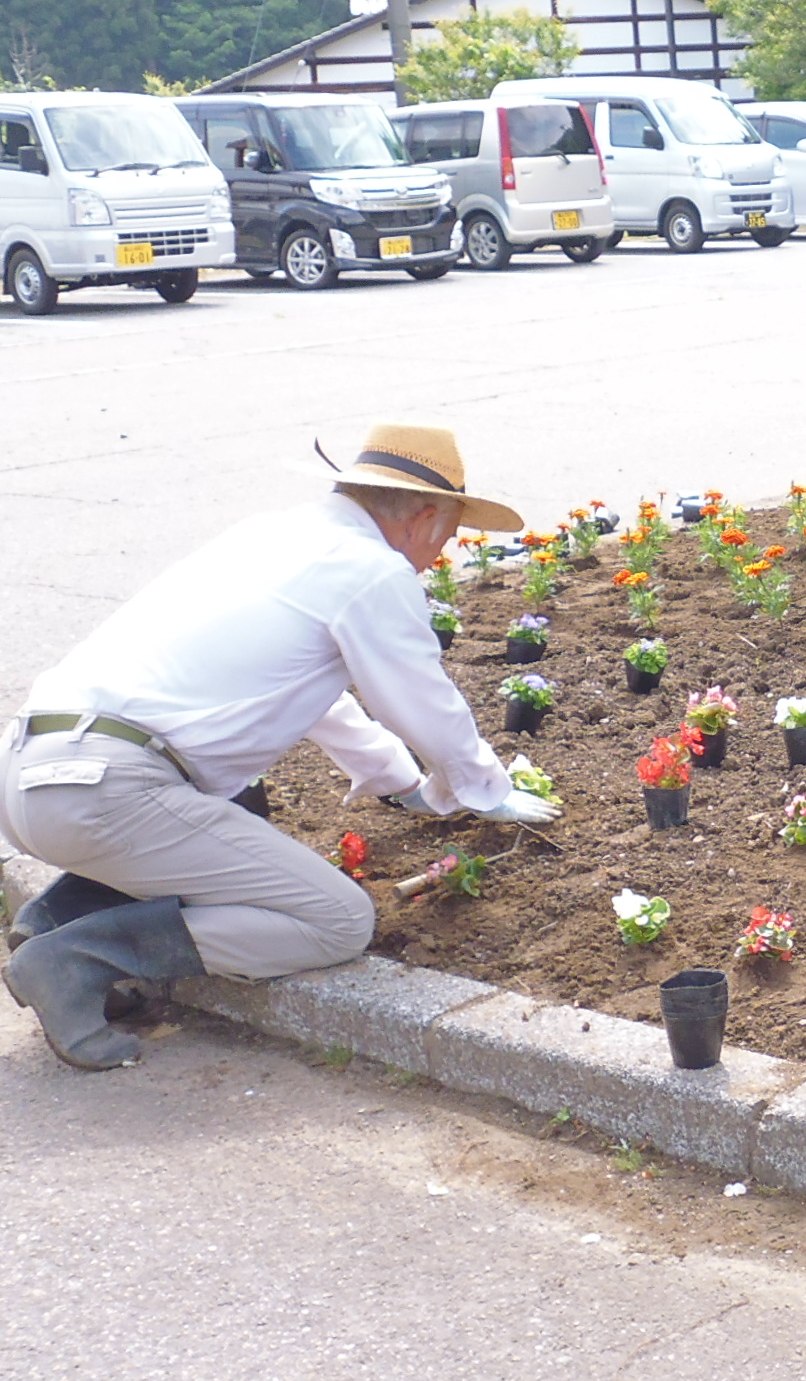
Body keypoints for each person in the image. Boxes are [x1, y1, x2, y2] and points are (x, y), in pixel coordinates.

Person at [1, 422, 558, 1072]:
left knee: (228, 808)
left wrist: (401, 782)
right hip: (108, 795)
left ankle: (55, 917)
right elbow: (422, 701)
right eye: (449, 535)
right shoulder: (370, 571)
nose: (442, 554)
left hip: (31, 775)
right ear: (425, 515)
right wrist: (484, 790)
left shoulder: (272, 538)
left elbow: (314, 699)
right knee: (338, 921)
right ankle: (75, 958)